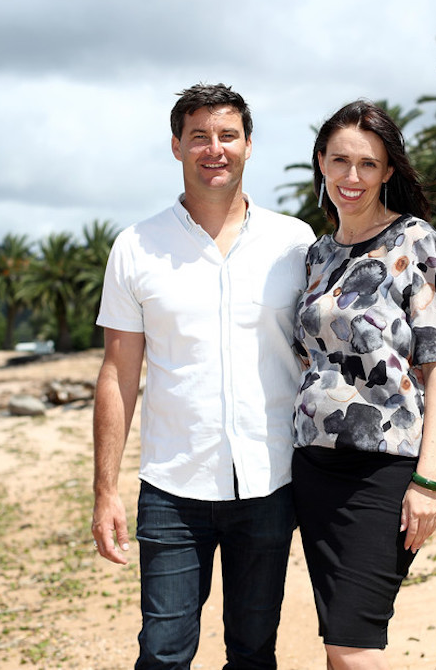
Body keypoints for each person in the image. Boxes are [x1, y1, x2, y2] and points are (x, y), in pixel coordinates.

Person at [91, 83, 315, 670]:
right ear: (176, 146)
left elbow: (323, 358)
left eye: (227, 136)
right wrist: (105, 490)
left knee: (252, 653)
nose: (213, 149)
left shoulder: (294, 243)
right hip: (172, 487)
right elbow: (117, 372)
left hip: (271, 482)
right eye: (199, 137)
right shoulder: (136, 246)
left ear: (248, 145)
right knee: (163, 655)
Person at [291, 100, 436, 670]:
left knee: (354, 645)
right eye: (339, 160)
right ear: (320, 163)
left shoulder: (418, 244)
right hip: (314, 469)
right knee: (340, 643)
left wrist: (429, 481)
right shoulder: (316, 256)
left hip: (384, 469)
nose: (352, 176)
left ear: (388, 171)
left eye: (368, 163)